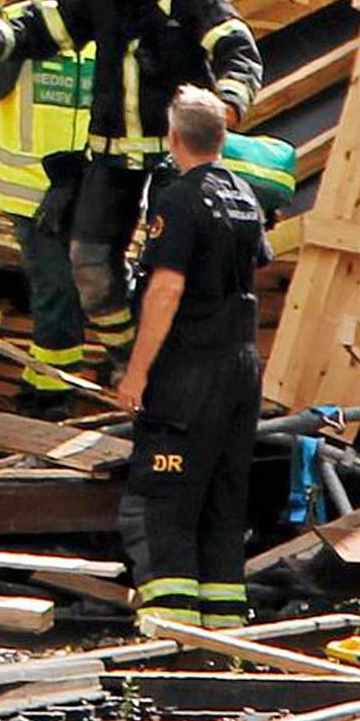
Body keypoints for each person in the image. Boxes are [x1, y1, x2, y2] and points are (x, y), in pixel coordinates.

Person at [0, 0, 262, 376]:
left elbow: (236, 48)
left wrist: (228, 101)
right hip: (113, 157)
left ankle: (167, 363)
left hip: (172, 157)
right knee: (91, 268)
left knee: (170, 269)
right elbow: (48, 28)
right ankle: (131, 355)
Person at [101, 90, 272, 636]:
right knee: (223, 503)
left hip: (189, 372)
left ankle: (170, 633)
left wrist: (137, 372)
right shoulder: (246, 195)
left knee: (163, 501)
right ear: (221, 137)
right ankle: (223, 634)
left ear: (174, 139)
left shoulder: (176, 201)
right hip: (240, 370)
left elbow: (167, 289)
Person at [0, 0, 111, 399]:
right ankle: (49, 394)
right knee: (56, 292)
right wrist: (14, 42)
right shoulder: (30, 23)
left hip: (91, 191)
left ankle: (56, 385)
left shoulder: (111, 32)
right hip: (33, 192)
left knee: (92, 293)